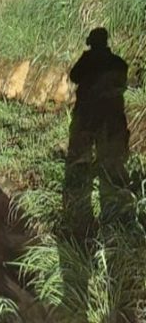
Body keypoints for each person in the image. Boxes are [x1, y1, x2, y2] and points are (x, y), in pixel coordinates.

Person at [61, 28, 131, 317]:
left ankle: (84, 204)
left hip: (89, 117)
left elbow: (74, 77)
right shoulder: (119, 63)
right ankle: (121, 213)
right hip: (114, 119)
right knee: (113, 164)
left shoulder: (87, 61)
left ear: (92, 43)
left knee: (79, 159)